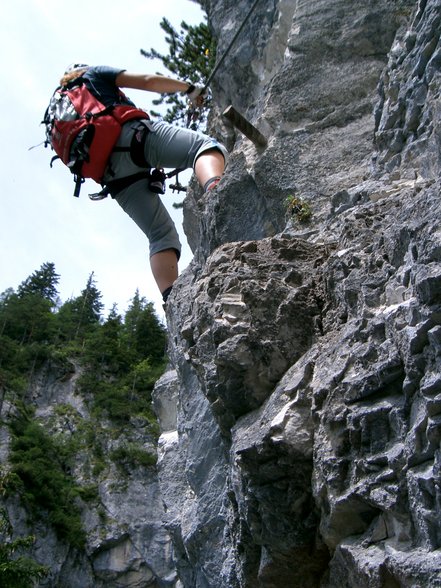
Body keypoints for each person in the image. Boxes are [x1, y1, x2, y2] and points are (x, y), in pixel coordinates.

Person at [60, 64, 228, 305]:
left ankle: (173, 306)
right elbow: (149, 80)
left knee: (159, 234)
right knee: (203, 147)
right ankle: (218, 195)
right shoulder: (92, 75)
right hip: (132, 137)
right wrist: (190, 88)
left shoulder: (64, 107)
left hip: (112, 176)